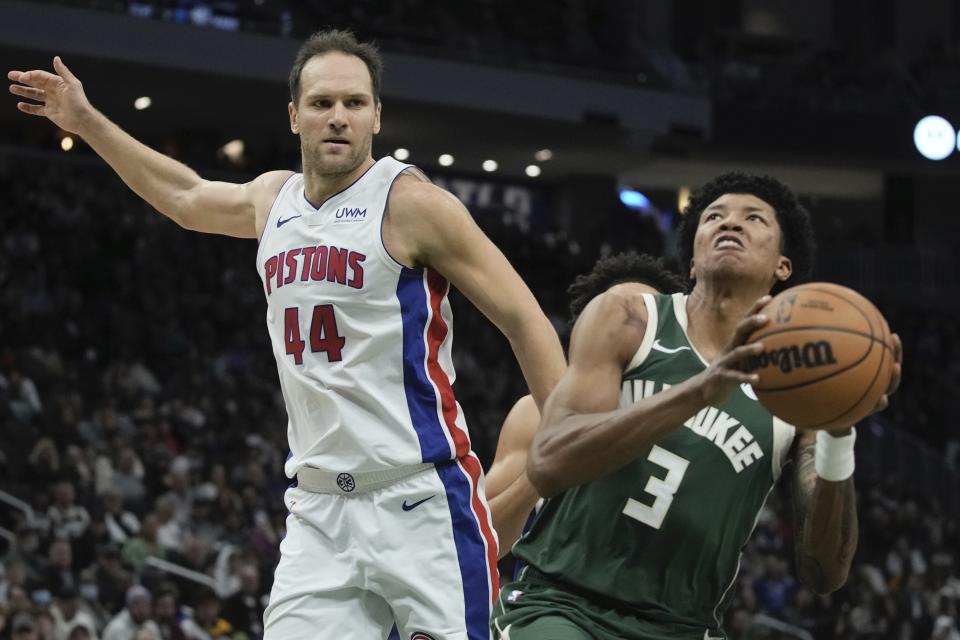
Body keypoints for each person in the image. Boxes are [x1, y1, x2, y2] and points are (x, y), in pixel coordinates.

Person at [9, 28, 565, 640]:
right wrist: (86, 122)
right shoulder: (273, 199)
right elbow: (185, 194)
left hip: (422, 501)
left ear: (377, 116)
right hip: (320, 510)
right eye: (323, 103)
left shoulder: (411, 204)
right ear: (295, 115)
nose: (338, 118)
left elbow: (524, 319)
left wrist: (572, 438)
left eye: (355, 104)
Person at [491, 172, 903, 639]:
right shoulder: (631, 316)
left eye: (753, 219)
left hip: (684, 627)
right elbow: (549, 463)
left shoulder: (795, 394)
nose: (731, 224)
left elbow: (824, 573)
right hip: (563, 605)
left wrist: (840, 431)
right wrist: (702, 389)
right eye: (714, 217)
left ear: (783, 266)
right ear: (691, 259)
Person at [485, 252, 688, 557]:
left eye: (648, 320)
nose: (630, 329)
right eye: (616, 317)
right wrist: (550, 466)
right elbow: (480, 543)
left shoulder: (697, 426)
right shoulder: (536, 415)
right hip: (541, 599)